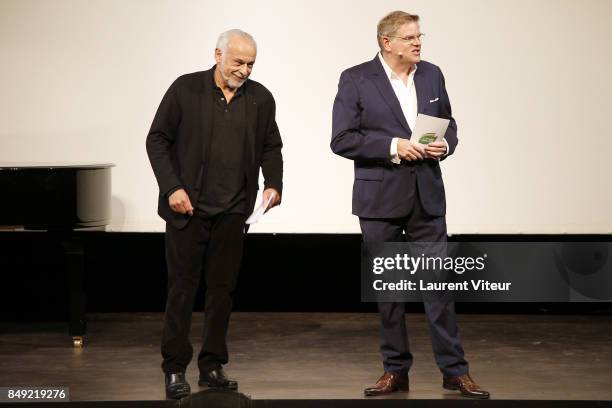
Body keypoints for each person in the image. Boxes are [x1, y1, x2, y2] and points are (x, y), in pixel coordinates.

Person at [331, 11, 489, 399]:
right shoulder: (356, 78)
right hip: (379, 199)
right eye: (409, 38)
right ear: (387, 42)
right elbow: (342, 139)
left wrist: (444, 144)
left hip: (426, 196)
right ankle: (394, 370)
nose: (418, 43)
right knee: (390, 292)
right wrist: (393, 147)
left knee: (439, 287)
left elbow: (448, 122)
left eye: (420, 37)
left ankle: (454, 371)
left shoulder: (432, 74)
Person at [146, 29, 283, 399]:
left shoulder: (260, 98)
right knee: (182, 290)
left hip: (234, 211)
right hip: (187, 211)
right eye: (238, 62)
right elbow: (156, 140)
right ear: (217, 54)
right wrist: (171, 187)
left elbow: (272, 146)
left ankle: (211, 365)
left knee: (222, 291)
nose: (244, 70)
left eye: (251, 63)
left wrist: (273, 184)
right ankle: (175, 368)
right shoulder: (185, 89)